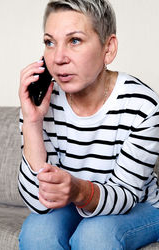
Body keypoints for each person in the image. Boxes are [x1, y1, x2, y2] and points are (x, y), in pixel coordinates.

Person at [18, 0, 159, 249]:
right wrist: (32, 122)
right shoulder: (40, 103)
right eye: (50, 42)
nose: (58, 58)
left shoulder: (143, 106)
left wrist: (78, 191)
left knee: (94, 235)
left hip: (140, 206)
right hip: (74, 202)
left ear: (108, 48)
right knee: (37, 232)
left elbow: (126, 195)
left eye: (74, 40)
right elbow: (38, 203)